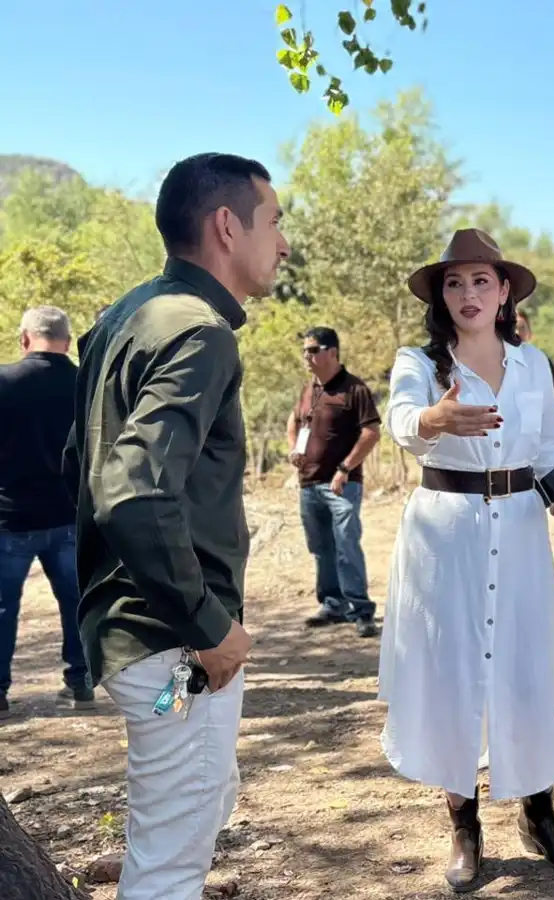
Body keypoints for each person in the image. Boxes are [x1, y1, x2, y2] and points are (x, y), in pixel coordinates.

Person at [65, 152, 289, 900]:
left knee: (188, 816)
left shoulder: (123, 316)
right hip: (173, 645)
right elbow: (129, 489)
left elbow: (80, 462)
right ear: (227, 226)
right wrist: (206, 625)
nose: (283, 242)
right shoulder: (199, 332)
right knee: (169, 869)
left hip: (134, 627)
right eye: (275, 221)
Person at [380, 228, 554, 893]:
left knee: (524, 670)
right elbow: (401, 419)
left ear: (503, 291)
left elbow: (547, 446)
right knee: (454, 674)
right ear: (442, 296)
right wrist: (436, 421)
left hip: (522, 531)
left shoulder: (533, 364)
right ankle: (464, 826)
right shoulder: (419, 359)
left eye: (480, 281)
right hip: (446, 535)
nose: (467, 294)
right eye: (454, 282)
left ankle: (539, 812)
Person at [0, 306, 92, 716]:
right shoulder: (84, 384)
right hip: (68, 513)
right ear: (68, 342)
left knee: (3, 607)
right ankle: (81, 683)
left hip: (10, 517)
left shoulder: (4, 382)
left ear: (24, 339)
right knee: (76, 603)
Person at [286, 326, 382, 637]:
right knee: (321, 547)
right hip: (308, 484)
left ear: (332, 353)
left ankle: (360, 610)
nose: (307, 357)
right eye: (305, 351)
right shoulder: (309, 389)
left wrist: (345, 468)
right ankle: (332, 603)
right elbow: (294, 421)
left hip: (341, 484)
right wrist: (293, 450)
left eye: (313, 350)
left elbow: (371, 433)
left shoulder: (355, 390)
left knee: (346, 545)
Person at [515, 309, 554, 411]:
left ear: (529, 332)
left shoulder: (543, 362)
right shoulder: (496, 363)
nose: (517, 332)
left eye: (522, 328)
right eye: (513, 328)